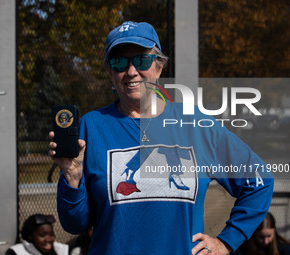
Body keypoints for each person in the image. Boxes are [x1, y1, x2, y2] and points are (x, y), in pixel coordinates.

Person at [49, 21, 274, 254]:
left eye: (141, 60)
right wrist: (72, 178)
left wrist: (227, 241)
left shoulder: (196, 124)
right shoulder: (92, 126)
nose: (131, 71)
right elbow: (75, 224)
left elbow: (259, 180)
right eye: (119, 62)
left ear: (159, 66)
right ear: (109, 72)